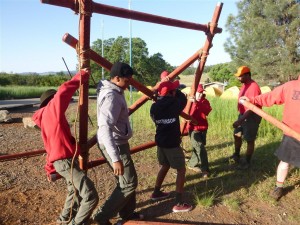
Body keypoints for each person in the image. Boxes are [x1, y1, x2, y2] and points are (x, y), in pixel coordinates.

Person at [32, 69, 99, 225]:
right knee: (90, 195)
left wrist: (50, 168)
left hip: (62, 161)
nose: (66, 104)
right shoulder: (52, 110)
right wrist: (81, 75)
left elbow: (52, 146)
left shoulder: (47, 119)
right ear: (52, 100)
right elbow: (63, 91)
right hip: (65, 161)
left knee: (74, 191)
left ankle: (63, 221)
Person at [93, 62, 143, 225]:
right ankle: (102, 217)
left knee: (127, 180)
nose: (129, 84)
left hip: (118, 142)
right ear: (116, 78)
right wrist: (115, 158)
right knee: (128, 182)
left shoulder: (116, 90)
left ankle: (127, 213)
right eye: (127, 81)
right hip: (114, 144)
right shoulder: (112, 96)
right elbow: (104, 127)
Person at [240, 75, 300, 200]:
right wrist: (252, 100)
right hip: (291, 133)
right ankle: (279, 187)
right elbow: (271, 96)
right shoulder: (290, 86)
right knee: (285, 162)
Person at [150, 79, 193, 213]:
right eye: (174, 89)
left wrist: (164, 92)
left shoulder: (154, 106)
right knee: (181, 170)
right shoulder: (175, 103)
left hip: (161, 142)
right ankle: (178, 203)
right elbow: (183, 98)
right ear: (171, 92)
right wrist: (175, 91)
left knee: (165, 165)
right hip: (172, 143)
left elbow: (154, 118)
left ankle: (156, 192)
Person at [230, 66, 262, 169]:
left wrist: (240, 120)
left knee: (249, 139)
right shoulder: (244, 85)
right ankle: (236, 155)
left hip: (251, 116)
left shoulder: (253, 87)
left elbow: (251, 108)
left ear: (247, 75)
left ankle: (247, 162)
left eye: (240, 76)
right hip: (243, 114)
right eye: (238, 76)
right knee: (237, 134)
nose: (238, 78)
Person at [186, 84, 212, 178]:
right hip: (193, 130)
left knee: (197, 148)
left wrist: (196, 102)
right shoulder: (188, 102)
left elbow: (207, 111)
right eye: (198, 92)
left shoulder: (205, 101)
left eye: (201, 92)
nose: (200, 94)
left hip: (203, 129)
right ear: (194, 93)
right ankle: (205, 170)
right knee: (201, 149)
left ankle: (191, 164)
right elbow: (185, 114)